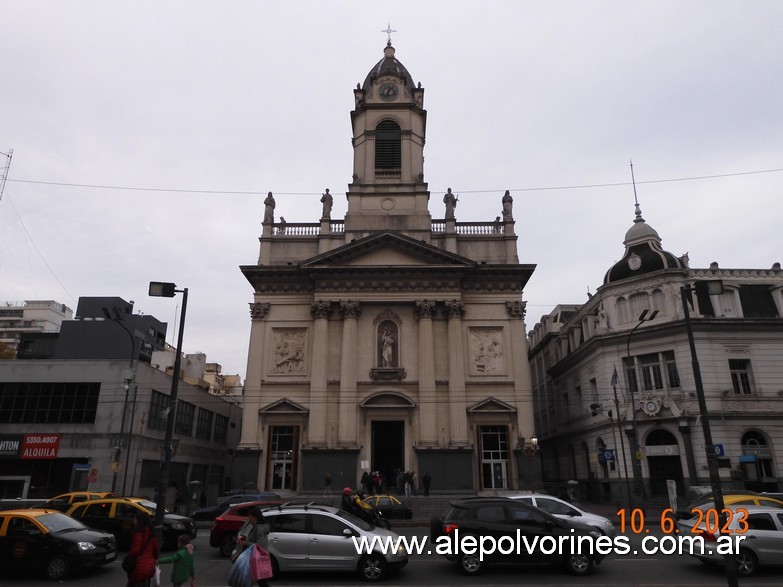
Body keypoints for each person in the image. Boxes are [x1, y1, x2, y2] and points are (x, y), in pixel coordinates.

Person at [126, 511, 159, 587]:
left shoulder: (137, 534)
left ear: (139, 520)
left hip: (138, 568)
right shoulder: (152, 533)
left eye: (135, 519)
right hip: (150, 566)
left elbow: (135, 551)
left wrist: (129, 555)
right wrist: (155, 558)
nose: (133, 520)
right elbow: (156, 549)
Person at [244, 507, 271, 587]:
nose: (249, 519)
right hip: (256, 557)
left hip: (258, 558)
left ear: (254, 517)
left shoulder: (259, 528)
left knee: (261, 581)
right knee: (259, 580)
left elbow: (259, 545)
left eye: (250, 517)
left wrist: (245, 543)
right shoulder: (257, 527)